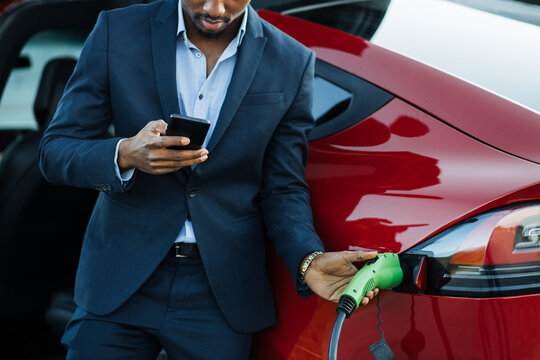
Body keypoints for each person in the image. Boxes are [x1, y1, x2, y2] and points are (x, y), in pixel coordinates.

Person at [39, 0, 378, 358]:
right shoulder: (117, 31)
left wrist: (308, 258)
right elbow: (56, 151)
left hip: (221, 294)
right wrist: (126, 153)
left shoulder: (292, 62)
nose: (215, 9)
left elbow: (283, 187)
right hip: (118, 281)